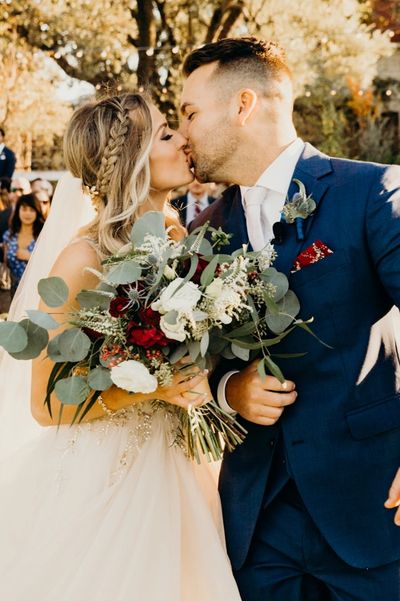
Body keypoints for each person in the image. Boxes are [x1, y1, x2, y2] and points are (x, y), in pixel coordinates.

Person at [181, 37, 400, 600]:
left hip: (373, 508)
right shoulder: (203, 231)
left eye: (190, 113)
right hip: (258, 524)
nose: (183, 133)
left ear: (243, 104)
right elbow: (190, 361)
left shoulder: (370, 192)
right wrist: (232, 389)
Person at [0, 93, 242, 601]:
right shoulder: (82, 257)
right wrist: (153, 388)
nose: (184, 138)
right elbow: (46, 404)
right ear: (133, 159)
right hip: (107, 476)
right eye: (165, 133)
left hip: (181, 463)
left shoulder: (186, 240)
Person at [3, 193, 44, 297]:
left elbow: (51, 262)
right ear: (18, 210)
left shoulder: (43, 236)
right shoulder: (9, 235)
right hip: (11, 292)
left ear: (37, 212)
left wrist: (30, 257)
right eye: (24, 209)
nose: (27, 213)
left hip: (36, 292)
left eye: (32, 210)